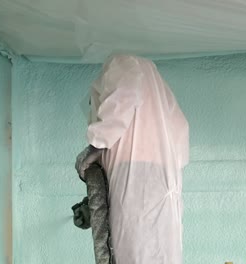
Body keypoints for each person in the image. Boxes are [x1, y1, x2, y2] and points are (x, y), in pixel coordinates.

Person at [75, 55, 189, 264]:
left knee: (132, 253)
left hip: (134, 182)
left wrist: (96, 143)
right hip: (166, 188)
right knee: (164, 255)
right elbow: (182, 135)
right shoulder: (160, 92)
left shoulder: (122, 64)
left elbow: (121, 103)